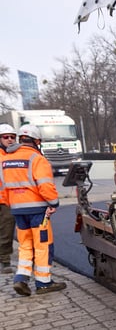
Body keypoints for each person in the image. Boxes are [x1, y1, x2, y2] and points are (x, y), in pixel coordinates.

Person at [0, 124, 65, 296]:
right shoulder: (37, 159)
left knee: (25, 245)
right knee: (43, 246)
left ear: (20, 139)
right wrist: (54, 203)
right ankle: (44, 283)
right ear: (37, 141)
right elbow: (45, 186)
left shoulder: (6, 160)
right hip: (37, 211)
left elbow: (3, 187)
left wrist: (11, 204)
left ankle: (21, 278)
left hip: (17, 211)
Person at [0, 124, 17, 273]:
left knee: (7, 229)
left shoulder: (15, 155)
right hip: (3, 198)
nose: (10, 139)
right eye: (6, 137)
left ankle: (4, 260)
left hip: (7, 200)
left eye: (12, 137)